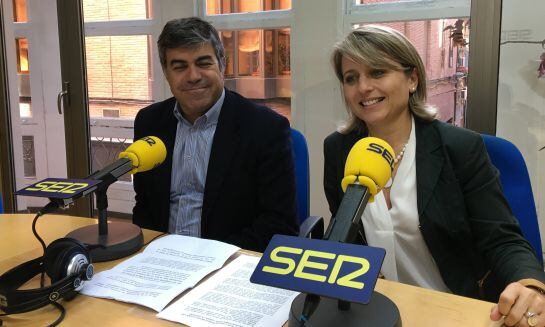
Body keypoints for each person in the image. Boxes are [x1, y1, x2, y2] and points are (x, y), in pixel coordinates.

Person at [324, 25, 545, 327]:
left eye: (377, 73)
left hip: (453, 309)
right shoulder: (338, 149)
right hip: (377, 310)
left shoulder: (459, 148)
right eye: (351, 78)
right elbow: (346, 237)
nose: (363, 87)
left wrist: (530, 286)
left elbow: (502, 240)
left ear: (412, 78)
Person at [132, 17, 298, 252]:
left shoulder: (266, 128)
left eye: (203, 63)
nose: (193, 76)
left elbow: (279, 225)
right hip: (160, 259)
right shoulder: (149, 122)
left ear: (222, 65)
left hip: (228, 262)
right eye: (179, 66)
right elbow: (144, 206)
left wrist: (207, 258)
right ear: (166, 73)